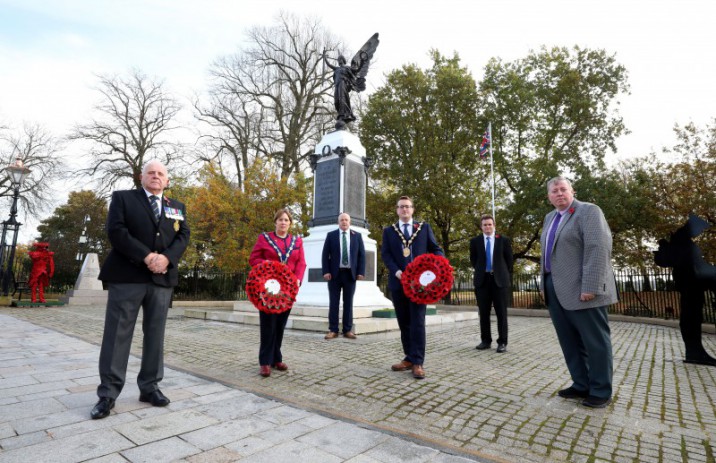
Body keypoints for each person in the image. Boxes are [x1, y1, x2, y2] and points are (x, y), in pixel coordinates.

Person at [91, 160, 190, 420]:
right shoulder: (123, 198)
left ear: (167, 180)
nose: (156, 177)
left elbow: (184, 236)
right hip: (127, 276)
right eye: (151, 173)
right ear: (141, 177)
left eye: (160, 174)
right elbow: (116, 231)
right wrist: (147, 257)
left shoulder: (176, 207)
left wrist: (167, 259)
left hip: (161, 280)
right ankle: (108, 394)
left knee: (155, 333)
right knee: (117, 335)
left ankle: (150, 387)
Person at [540, 176, 617, 408]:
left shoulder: (589, 211)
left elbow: (598, 248)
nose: (559, 194)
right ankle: (581, 384)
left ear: (572, 190)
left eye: (563, 189)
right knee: (570, 342)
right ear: (549, 197)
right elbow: (547, 254)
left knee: (595, 342)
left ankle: (601, 390)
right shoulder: (550, 217)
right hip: (555, 288)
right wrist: (545, 286)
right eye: (554, 191)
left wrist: (591, 286)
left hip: (584, 289)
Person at [381, 196, 444, 379]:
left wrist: (437, 265)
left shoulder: (424, 228)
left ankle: (418, 362)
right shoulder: (389, 231)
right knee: (404, 322)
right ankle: (408, 357)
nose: (405, 210)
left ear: (413, 209)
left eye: (408, 207)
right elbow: (386, 255)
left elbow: (436, 249)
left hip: (420, 286)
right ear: (397, 210)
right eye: (401, 207)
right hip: (399, 282)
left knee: (417, 322)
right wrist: (396, 271)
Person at [249, 208, 306, 378]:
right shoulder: (264, 238)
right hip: (268, 289)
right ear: (275, 222)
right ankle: (265, 362)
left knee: (280, 325)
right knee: (268, 325)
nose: (283, 222)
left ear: (290, 224)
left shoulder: (297, 241)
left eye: (286, 220)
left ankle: (276, 358)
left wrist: (297, 279)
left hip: (287, 290)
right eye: (280, 220)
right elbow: (253, 259)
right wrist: (268, 264)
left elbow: (302, 263)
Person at [654, 214, 716, 366]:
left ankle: (695, 352)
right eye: (700, 229)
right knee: (691, 316)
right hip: (691, 284)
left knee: (691, 316)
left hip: (691, 283)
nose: (700, 232)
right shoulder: (682, 241)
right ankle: (695, 353)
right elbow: (692, 264)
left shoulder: (683, 240)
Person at [470, 214, 513, 353]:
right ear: (481, 226)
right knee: (483, 313)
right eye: (485, 225)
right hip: (482, 281)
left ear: (494, 225)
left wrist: (502, 273)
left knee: (501, 313)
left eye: (489, 224)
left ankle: (502, 342)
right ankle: (486, 341)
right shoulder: (475, 241)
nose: (487, 227)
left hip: (499, 281)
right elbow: (474, 260)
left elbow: (509, 261)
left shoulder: (503, 240)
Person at [322, 213, 366, 340]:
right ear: (338, 222)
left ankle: (347, 330)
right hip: (334, 275)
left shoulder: (357, 236)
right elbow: (325, 255)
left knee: (348, 303)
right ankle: (333, 330)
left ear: (350, 222)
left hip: (350, 275)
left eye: (346, 220)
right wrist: (326, 271)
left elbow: (361, 255)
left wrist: (361, 272)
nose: (344, 222)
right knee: (334, 303)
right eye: (342, 220)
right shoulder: (331, 236)